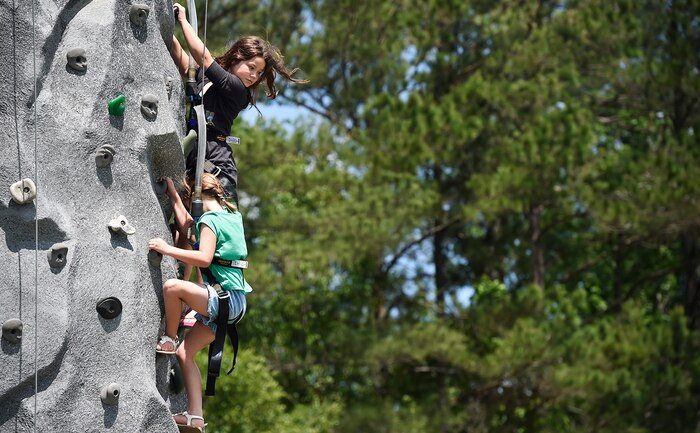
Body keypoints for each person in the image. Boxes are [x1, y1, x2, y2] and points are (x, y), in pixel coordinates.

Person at [170, 2, 308, 204]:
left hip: (216, 169)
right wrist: (163, 27)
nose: (254, 76)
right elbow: (184, 63)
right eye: (251, 67)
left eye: (259, 72)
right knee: (185, 229)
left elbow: (205, 57)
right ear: (236, 57)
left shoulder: (237, 90)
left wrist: (183, 20)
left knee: (214, 228)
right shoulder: (212, 81)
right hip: (194, 163)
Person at [148, 173, 251, 432]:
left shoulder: (210, 220)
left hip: (222, 298)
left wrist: (166, 248)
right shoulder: (232, 218)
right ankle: (196, 416)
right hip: (233, 304)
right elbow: (189, 229)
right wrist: (173, 195)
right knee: (187, 354)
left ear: (195, 195)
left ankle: (169, 339)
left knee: (172, 287)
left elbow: (203, 258)